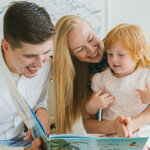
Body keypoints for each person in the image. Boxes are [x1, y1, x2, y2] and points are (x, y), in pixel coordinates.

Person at [0, 1, 55, 150]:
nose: (40, 65)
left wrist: (42, 110)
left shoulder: (46, 65)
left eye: (45, 53)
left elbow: (39, 100)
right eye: (30, 55)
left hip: (25, 142)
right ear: (6, 46)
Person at [86, 23, 150, 149]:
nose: (114, 59)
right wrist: (92, 105)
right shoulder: (101, 79)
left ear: (138, 54)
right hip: (111, 131)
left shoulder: (145, 76)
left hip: (141, 128)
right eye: (110, 54)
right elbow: (90, 112)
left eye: (120, 55)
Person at [53, 15, 114, 134]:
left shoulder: (118, 45)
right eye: (80, 49)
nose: (91, 50)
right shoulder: (81, 75)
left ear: (93, 29)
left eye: (91, 38)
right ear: (71, 55)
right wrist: (90, 107)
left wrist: (132, 124)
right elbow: (89, 125)